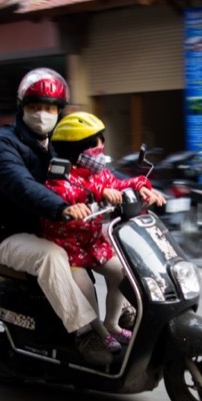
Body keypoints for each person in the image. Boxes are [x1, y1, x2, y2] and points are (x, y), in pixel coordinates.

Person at [0, 67, 114, 366]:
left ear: (59, 111)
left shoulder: (58, 143)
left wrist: (135, 188)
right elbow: (20, 185)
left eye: (50, 108)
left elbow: (95, 167)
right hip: (6, 233)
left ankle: (113, 326)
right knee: (51, 257)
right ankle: (84, 335)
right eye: (35, 107)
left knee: (103, 260)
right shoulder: (1, 145)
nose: (43, 114)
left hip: (48, 229)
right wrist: (60, 207)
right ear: (22, 108)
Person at [45, 112, 166, 351]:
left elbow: (121, 183)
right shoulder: (58, 177)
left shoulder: (98, 173)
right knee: (86, 289)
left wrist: (143, 188)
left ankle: (112, 324)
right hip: (68, 249)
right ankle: (98, 332)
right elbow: (65, 195)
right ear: (77, 151)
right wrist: (96, 195)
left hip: (93, 242)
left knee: (122, 274)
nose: (101, 152)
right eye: (96, 148)